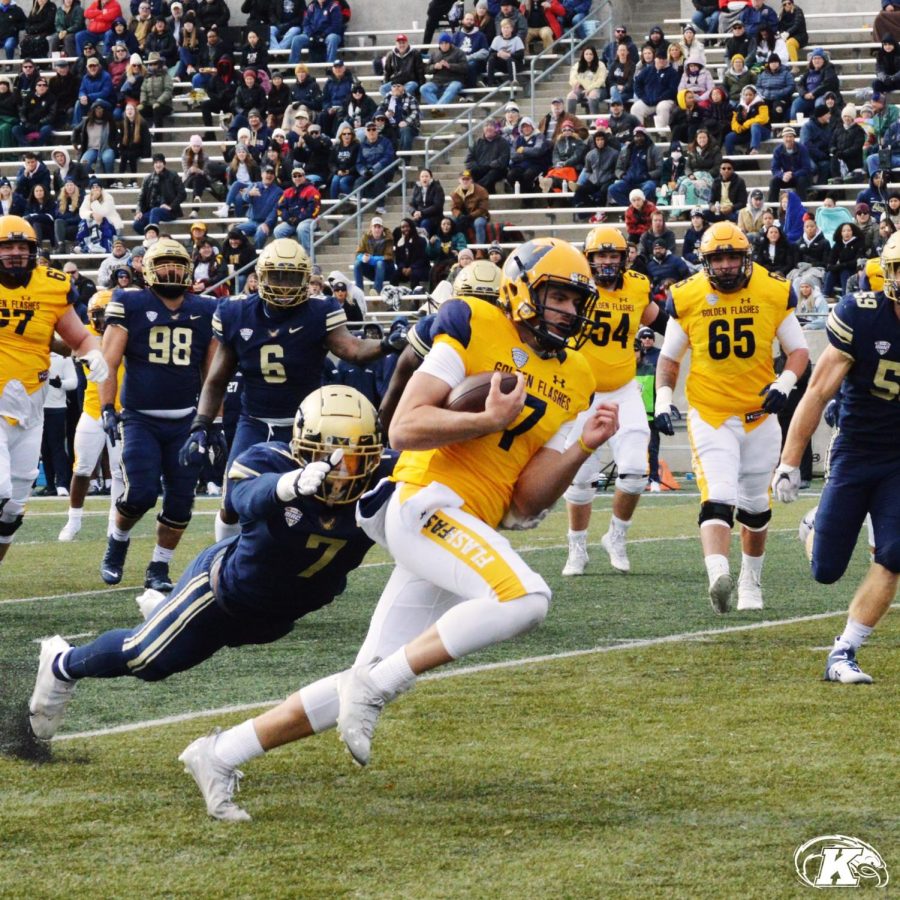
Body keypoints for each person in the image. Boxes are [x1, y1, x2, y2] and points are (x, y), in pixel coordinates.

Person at [174, 238, 620, 820]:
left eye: (574, 300)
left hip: (464, 520)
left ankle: (220, 753)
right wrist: (485, 419)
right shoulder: (472, 320)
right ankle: (377, 689)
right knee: (527, 598)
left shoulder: (578, 373)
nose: (567, 311)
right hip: (420, 499)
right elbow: (405, 427)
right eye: (556, 295)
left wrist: (583, 448)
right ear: (520, 289)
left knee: (366, 672)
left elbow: (524, 503)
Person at [29, 385, 395, 746]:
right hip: (221, 593)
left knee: (172, 648)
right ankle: (62, 663)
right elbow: (243, 496)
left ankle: (166, 613)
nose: (342, 474)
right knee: (147, 659)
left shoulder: (388, 475)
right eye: (329, 459)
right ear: (301, 449)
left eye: (356, 460)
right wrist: (287, 486)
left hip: (274, 618)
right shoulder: (270, 462)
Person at [186, 240, 407, 543]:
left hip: (305, 428)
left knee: (311, 499)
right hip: (253, 421)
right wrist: (202, 424)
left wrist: (385, 345)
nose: (285, 285)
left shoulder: (319, 311)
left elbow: (352, 349)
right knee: (231, 504)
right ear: (262, 277)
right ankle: (223, 558)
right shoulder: (236, 312)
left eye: (292, 277)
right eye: (277, 276)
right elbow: (216, 379)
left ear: (305, 278)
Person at [653, 221, 809, 612]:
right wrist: (662, 398)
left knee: (756, 505)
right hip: (712, 413)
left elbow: (800, 352)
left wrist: (784, 384)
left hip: (760, 413)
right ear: (704, 262)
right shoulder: (687, 296)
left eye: (731, 257)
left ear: (746, 257)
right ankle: (718, 574)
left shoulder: (772, 290)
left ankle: (750, 583)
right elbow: (669, 359)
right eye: (716, 258)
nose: (724, 265)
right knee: (718, 495)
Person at [770, 232, 900, 683]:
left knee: (895, 554)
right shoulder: (862, 318)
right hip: (858, 449)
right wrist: (789, 460)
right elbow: (817, 390)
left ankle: (844, 651)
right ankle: (813, 525)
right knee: (826, 570)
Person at [97, 238, 217, 593]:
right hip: (140, 418)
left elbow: (212, 374)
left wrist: (214, 423)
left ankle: (158, 567)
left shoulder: (206, 308)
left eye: (177, 264)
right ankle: (117, 542)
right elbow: (109, 360)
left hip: (185, 420)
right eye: (164, 263)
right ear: (148, 269)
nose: (171, 271)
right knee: (141, 494)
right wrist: (108, 407)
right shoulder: (128, 301)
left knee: (181, 501)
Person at [0, 215, 108, 567]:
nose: (15, 253)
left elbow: (79, 337)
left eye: (22, 247)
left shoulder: (52, 285)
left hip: (32, 407)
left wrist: (93, 353)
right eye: (7, 247)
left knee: (14, 507)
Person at [562, 225, 667, 576]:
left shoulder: (637, 285)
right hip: (581, 393)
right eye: (600, 255)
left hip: (623, 390)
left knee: (637, 472)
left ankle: (616, 537)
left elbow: (657, 318)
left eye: (613, 255)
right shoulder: (576, 287)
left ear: (625, 258)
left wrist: (689, 337)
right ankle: (577, 547)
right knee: (579, 478)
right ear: (588, 258)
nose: (607, 262)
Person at [58, 291, 126, 541]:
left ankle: (113, 522)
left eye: (108, 316)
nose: (104, 322)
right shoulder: (84, 335)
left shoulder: (128, 335)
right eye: (100, 316)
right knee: (83, 468)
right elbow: (61, 343)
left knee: (119, 471)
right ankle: (73, 520)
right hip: (92, 409)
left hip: (122, 412)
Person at [133, 153, 186, 232]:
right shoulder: (148, 179)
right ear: (153, 164)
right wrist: (139, 211)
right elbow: (141, 198)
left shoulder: (173, 175)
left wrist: (171, 206)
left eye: (160, 162)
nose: (158, 165)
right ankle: (151, 238)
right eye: (156, 163)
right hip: (151, 210)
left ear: (164, 163)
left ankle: (153, 237)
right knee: (137, 224)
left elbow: (182, 194)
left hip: (169, 211)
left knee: (155, 211)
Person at [354, 215, 395, 294]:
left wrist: (372, 259)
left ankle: (376, 292)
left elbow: (389, 256)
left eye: (379, 227)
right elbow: (358, 253)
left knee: (379, 263)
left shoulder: (389, 238)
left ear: (382, 228)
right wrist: (362, 258)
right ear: (371, 228)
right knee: (357, 264)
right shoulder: (365, 237)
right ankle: (359, 292)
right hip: (372, 270)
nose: (377, 229)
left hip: (386, 269)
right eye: (375, 227)